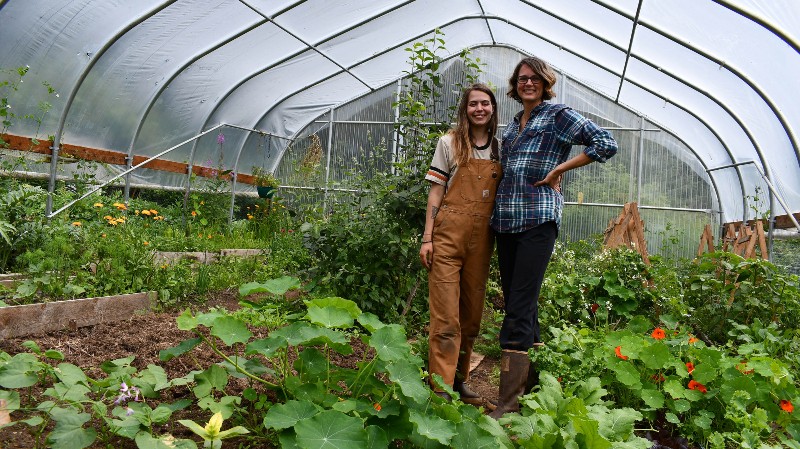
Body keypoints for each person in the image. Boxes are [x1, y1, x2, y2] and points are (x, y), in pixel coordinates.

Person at [489, 57, 618, 418]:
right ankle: (538, 385)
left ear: (545, 83)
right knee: (522, 303)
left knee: (517, 307)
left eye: (534, 79)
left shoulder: (558, 115)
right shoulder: (513, 126)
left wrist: (561, 167)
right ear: (515, 86)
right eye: (521, 79)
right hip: (506, 221)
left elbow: (605, 144)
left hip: (537, 219)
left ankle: (508, 403)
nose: (527, 83)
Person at [419, 83, 501, 405]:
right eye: (473, 104)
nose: (479, 109)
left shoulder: (500, 147)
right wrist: (427, 237)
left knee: (470, 317)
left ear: (493, 109)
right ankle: (440, 388)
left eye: (485, 104)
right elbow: (436, 192)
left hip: (482, 240)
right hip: (447, 235)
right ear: (465, 109)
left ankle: (460, 381)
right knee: (445, 317)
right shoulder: (449, 143)